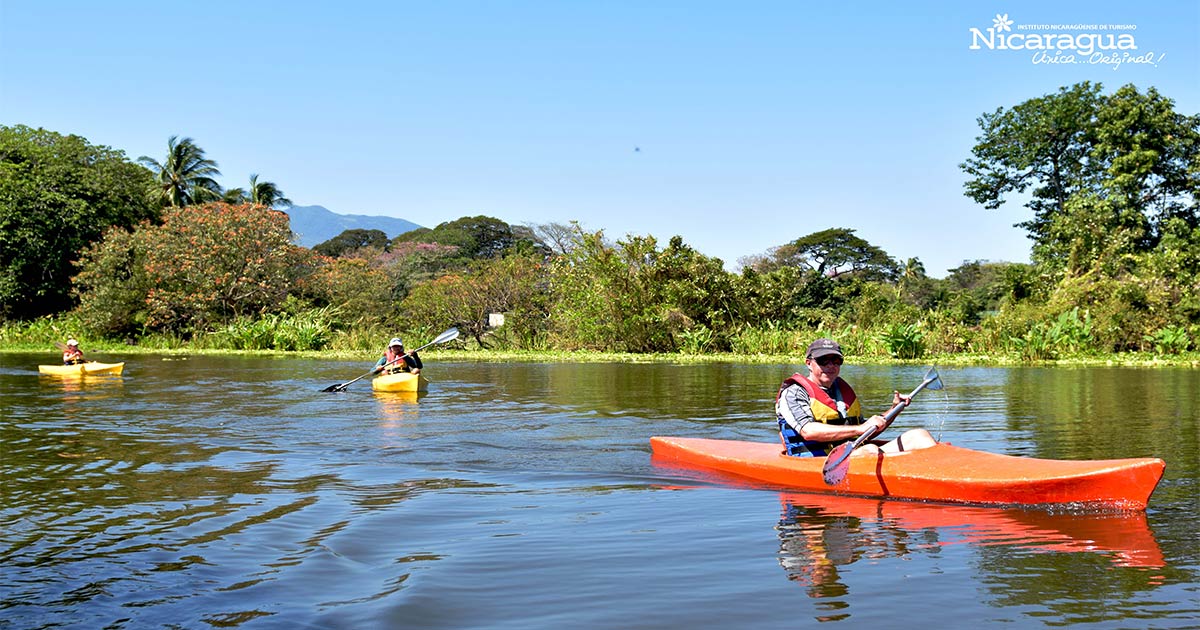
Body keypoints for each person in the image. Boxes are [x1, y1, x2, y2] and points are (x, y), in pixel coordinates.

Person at [776, 338, 935, 457]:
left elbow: (866, 432)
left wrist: (895, 409)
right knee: (870, 450)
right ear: (808, 363)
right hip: (817, 462)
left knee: (919, 436)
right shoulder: (794, 392)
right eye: (823, 361)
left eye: (836, 361)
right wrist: (860, 429)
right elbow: (808, 431)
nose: (831, 366)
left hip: (853, 454)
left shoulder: (842, 393)